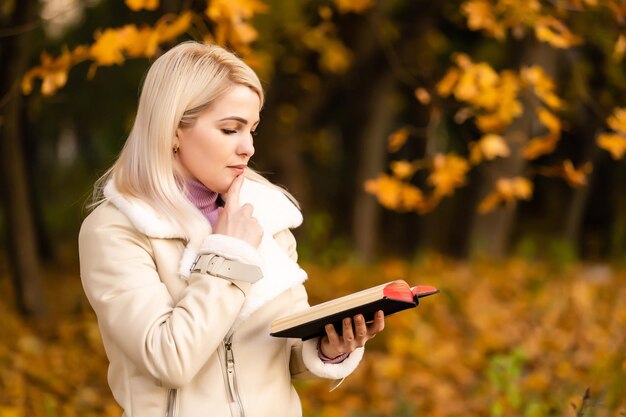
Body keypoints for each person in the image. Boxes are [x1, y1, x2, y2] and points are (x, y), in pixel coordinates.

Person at [78, 41, 385, 417]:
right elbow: (169, 359)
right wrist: (228, 254)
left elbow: (280, 353)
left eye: (252, 129)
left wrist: (328, 348)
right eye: (230, 129)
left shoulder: (264, 217)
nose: (248, 148)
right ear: (173, 130)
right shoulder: (117, 230)